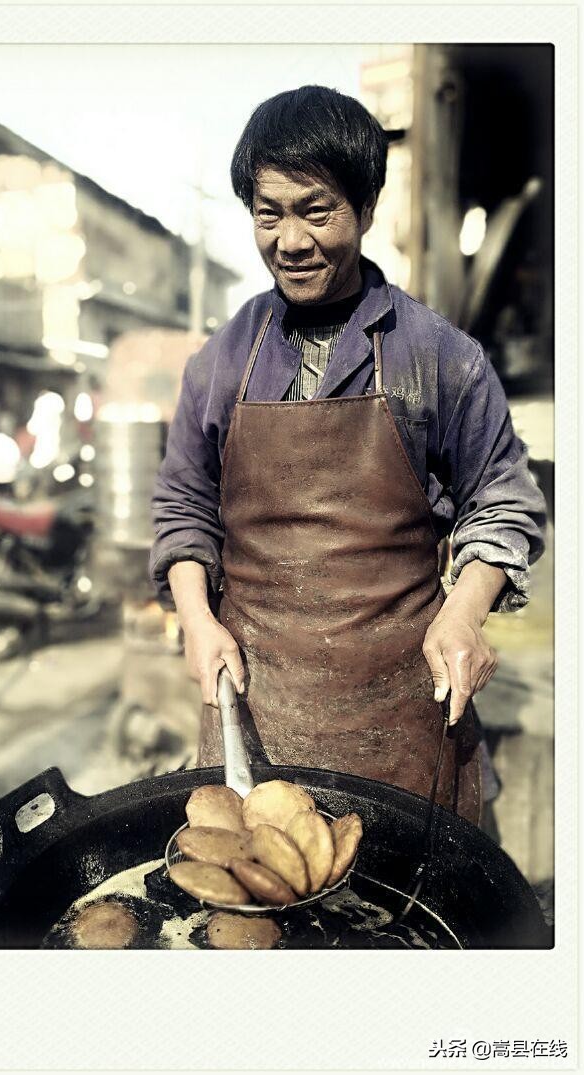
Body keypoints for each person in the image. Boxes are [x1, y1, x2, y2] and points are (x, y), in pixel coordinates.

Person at [149, 85, 547, 825]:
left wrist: (463, 614)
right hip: (257, 719)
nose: (290, 240)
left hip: (402, 717)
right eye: (269, 213)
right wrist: (197, 618)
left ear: (364, 210)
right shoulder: (221, 361)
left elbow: (504, 500)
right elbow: (183, 505)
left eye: (316, 209)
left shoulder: (440, 356)